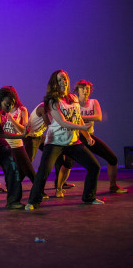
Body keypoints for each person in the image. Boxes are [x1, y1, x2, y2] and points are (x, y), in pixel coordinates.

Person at [26, 70, 103, 210]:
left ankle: (89, 197)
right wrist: (82, 127)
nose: (64, 82)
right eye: (60, 79)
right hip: (55, 141)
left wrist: (87, 135)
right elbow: (62, 122)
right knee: (44, 171)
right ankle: (33, 201)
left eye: (65, 78)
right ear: (55, 83)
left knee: (94, 166)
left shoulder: (73, 97)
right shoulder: (52, 101)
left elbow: (77, 117)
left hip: (73, 141)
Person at [55, 79, 127, 195]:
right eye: (82, 88)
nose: (85, 90)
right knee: (68, 162)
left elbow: (98, 117)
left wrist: (81, 118)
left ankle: (113, 186)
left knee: (112, 159)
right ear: (77, 90)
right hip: (76, 137)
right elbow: (69, 120)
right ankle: (58, 189)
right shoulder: (74, 102)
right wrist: (80, 120)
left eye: (87, 88)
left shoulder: (93, 102)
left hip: (89, 136)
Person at [0, 86, 49, 202]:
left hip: (17, 143)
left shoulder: (22, 110)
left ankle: (39, 192)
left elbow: (25, 130)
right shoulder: (0, 109)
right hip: (2, 143)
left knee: (28, 169)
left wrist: (12, 120)